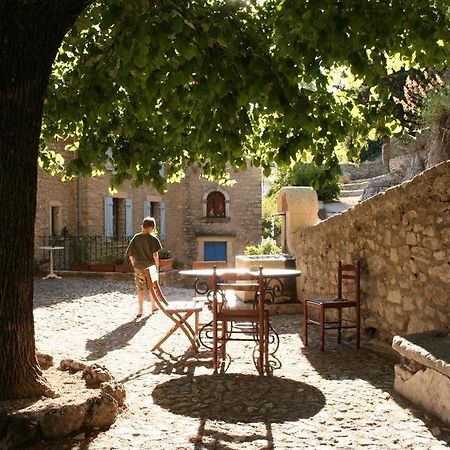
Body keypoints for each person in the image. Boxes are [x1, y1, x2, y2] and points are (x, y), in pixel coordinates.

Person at [126, 216, 162, 318]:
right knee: (152, 287)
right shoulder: (153, 239)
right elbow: (155, 255)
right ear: (151, 227)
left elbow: (131, 255)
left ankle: (140, 309)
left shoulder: (136, 238)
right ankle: (153, 306)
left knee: (140, 288)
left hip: (139, 267)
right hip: (150, 267)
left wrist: (134, 265)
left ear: (143, 226)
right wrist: (157, 265)